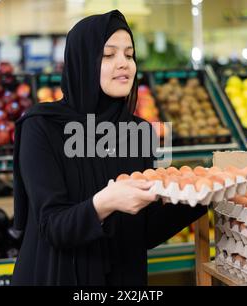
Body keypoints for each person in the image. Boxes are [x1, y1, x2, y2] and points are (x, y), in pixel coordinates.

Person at [11, 10, 207, 286]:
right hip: (57, 275)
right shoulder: (42, 127)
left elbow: (143, 232)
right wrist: (104, 202)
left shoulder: (139, 132)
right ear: (83, 62)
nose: (123, 64)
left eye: (129, 55)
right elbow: (53, 227)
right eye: (108, 54)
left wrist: (199, 197)